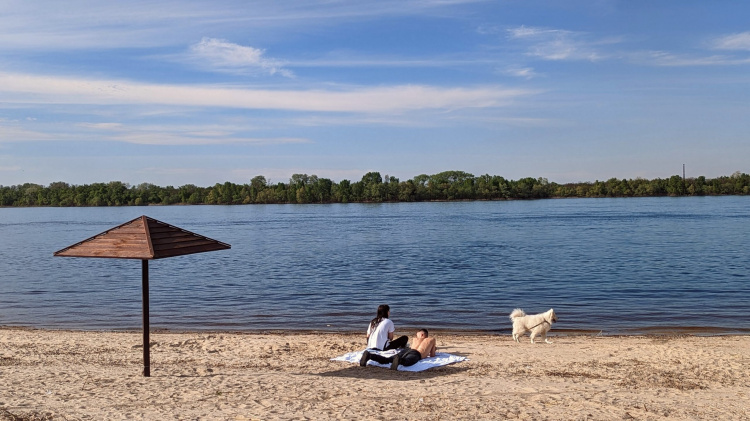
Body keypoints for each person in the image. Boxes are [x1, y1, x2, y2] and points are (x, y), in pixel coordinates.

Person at [360, 328, 437, 370]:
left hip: (406, 350)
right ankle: (399, 360)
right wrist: (432, 349)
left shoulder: (414, 339)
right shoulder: (431, 340)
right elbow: (432, 355)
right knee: (408, 361)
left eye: (417, 335)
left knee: (387, 360)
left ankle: (370, 355)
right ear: (424, 335)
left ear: (421, 334)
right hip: (417, 353)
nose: (416, 337)